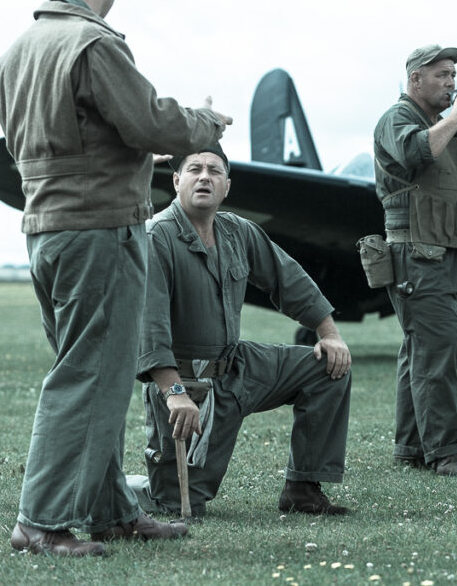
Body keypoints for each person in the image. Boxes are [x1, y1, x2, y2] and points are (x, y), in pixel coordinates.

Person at [0, 0, 231, 556]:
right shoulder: (92, 44)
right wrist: (202, 124)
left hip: (46, 231)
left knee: (94, 372)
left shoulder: (14, 52)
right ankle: (40, 522)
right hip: (99, 230)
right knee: (91, 375)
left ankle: (111, 512)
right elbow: (150, 122)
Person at [132, 146, 352, 517]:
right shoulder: (157, 238)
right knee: (178, 503)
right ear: (176, 181)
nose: (204, 177)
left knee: (327, 369)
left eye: (214, 171)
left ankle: (302, 488)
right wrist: (175, 394)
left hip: (238, 367)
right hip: (188, 387)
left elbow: (289, 280)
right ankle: (122, 486)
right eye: (195, 170)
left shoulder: (238, 231)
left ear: (227, 186)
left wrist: (328, 332)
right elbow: (149, 327)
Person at [372, 45, 457, 476]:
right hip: (417, 256)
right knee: (435, 353)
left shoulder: (436, 125)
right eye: (441, 75)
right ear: (415, 79)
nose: (452, 83)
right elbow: (415, 155)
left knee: (420, 351)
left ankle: (412, 447)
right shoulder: (398, 119)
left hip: (442, 252)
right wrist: (456, 116)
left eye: (454, 74)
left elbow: (441, 193)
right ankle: (445, 453)